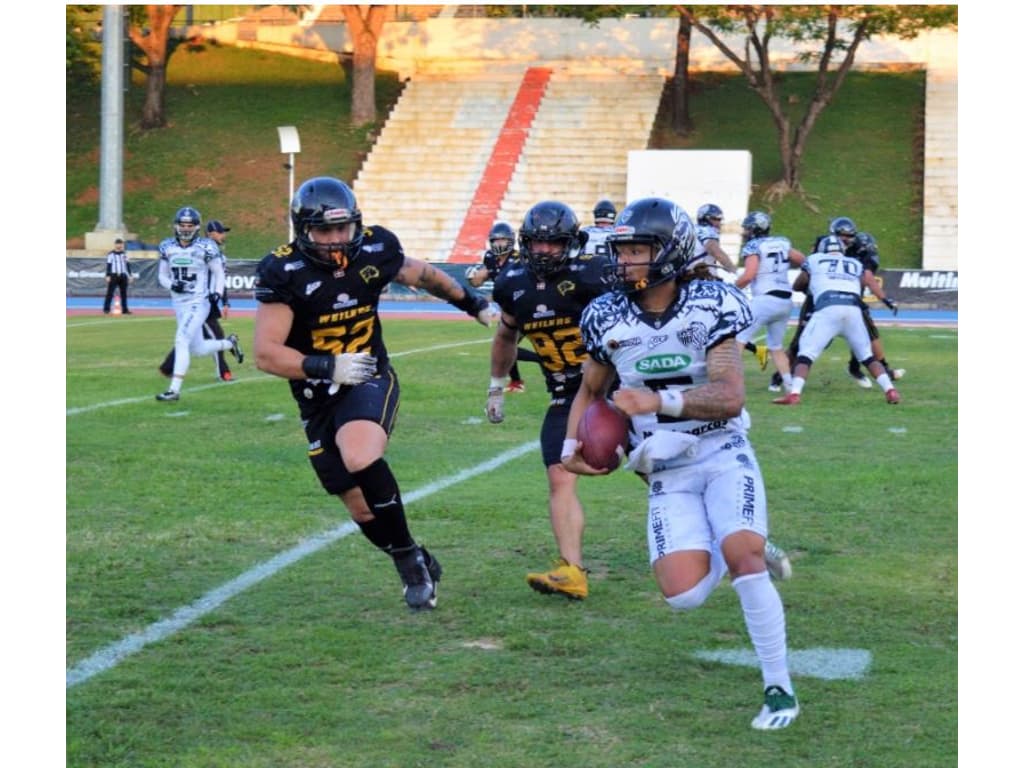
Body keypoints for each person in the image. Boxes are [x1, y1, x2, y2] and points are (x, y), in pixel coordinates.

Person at [563, 196, 799, 730]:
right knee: (685, 595)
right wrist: (572, 449)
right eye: (621, 251)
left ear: (669, 252)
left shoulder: (711, 302)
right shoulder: (604, 315)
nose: (625, 261)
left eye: (637, 250)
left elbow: (730, 394)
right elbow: (590, 392)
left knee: (743, 558)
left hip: (720, 450)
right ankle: (744, 541)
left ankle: (779, 686)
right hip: (663, 469)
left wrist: (659, 402)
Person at [253, 176, 492, 611]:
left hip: (367, 373)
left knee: (360, 455)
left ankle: (409, 568)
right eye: (323, 231)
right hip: (316, 392)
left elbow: (423, 275)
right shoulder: (284, 271)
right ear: (303, 230)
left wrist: (471, 302)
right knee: (361, 510)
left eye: (341, 229)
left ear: (354, 224)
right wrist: (326, 366)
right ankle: (413, 552)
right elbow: (266, 354)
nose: (334, 240)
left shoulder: (375, 248)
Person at [486, 200, 612, 600]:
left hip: (615, 390)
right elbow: (506, 336)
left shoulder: (594, 275)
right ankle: (572, 570)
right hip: (564, 394)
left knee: (659, 469)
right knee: (559, 475)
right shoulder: (512, 282)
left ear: (570, 243)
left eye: (553, 244)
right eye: (537, 244)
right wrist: (495, 384)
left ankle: (725, 537)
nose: (543, 252)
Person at [772, 235, 901, 405]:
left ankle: (794, 394)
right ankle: (890, 390)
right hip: (853, 308)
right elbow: (866, 280)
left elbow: (798, 284)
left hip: (828, 307)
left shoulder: (815, 259)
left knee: (805, 354)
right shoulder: (854, 263)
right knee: (868, 357)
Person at [155, 207, 244, 402]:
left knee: (181, 340)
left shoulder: (206, 246)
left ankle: (174, 390)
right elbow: (161, 275)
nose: (186, 229)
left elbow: (219, 273)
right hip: (178, 303)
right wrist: (172, 284)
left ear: (197, 227)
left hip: (198, 301)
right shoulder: (167, 246)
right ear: (176, 226)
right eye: (183, 225)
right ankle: (230, 342)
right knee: (198, 348)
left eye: (190, 225)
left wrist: (216, 294)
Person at [465, 220, 542, 394]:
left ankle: (541, 360)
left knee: (507, 345)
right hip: (508, 309)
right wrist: (473, 277)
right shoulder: (490, 258)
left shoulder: (519, 259)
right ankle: (517, 381)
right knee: (507, 343)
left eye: (503, 240)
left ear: (511, 241)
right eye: (496, 240)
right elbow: (481, 278)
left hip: (525, 306)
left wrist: (489, 297)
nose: (499, 244)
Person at [734, 211, 805, 392]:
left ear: (756, 229)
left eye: (748, 228)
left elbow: (749, 275)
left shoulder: (753, 246)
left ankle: (730, 383)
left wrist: (731, 289)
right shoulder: (782, 243)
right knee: (776, 346)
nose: (746, 232)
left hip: (764, 300)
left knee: (738, 339)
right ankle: (790, 386)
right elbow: (804, 261)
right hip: (785, 301)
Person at [843, 231, 905, 384]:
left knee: (861, 334)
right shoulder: (862, 260)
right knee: (870, 335)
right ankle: (883, 370)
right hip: (850, 301)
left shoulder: (845, 255)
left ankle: (855, 367)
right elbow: (868, 280)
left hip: (833, 299)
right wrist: (886, 300)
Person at [687, 203, 737, 274]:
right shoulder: (707, 230)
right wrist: (734, 270)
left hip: (686, 275)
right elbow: (715, 251)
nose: (719, 223)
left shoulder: (692, 229)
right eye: (717, 219)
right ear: (706, 218)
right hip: (700, 277)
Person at [102, 238, 134, 314]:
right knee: (110, 293)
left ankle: (125, 309)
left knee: (124, 294)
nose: (119, 245)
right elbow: (109, 265)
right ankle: (106, 309)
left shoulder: (124, 254)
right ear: (115, 245)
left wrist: (130, 275)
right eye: (118, 244)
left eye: (120, 244)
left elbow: (127, 265)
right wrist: (108, 275)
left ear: (122, 245)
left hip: (123, 275)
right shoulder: (111, 254)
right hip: (114, 275)